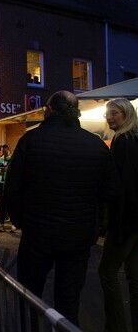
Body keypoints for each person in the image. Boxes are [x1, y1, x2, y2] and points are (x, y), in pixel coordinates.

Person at [4, 91, 119, 327]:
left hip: (37, 234)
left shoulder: (31, 140)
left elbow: (12, 188)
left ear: (50, 109)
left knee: (30, 297)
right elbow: (111, 192)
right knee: (68, 302)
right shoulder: (95, 145)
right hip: (77, 235)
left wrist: (20, 221)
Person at [98, 97, 138, 332]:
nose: (109, 118)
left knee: (107, 271)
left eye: (115, 113)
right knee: (135, 277)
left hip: (126, 220)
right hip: (136, 221)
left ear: (126, 114)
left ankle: (116, 326)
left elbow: (123, 188)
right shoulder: (134, 139)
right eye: (107, 114)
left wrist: (117, 224)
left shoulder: (122, 140)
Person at [0, 144, 13, 233]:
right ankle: (1, 225)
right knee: (1, 205)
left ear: (8, 150)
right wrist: (0, 170)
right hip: (0, 183)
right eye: (3, 151)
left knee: (10, 203)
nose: (4, 153)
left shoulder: (12, 160)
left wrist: (8, 170)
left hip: (9, 184)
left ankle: (13, 225)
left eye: (5, 151)